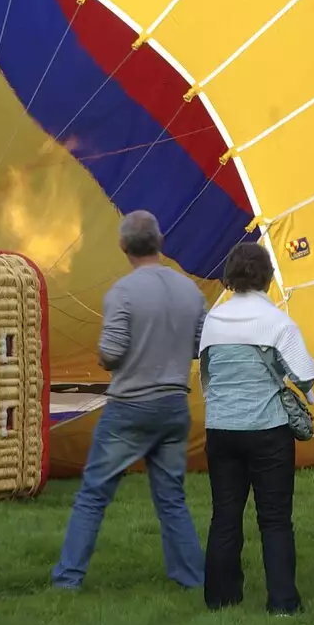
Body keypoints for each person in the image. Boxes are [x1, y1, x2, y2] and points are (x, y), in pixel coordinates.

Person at [52, 211, 209, 591]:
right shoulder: (190, 291)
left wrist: (105, 358)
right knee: (171, 498)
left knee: (93, 496)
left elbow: (113, 351)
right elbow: (199, 345)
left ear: (123, 247)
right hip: (174, 405)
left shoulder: (122, 292)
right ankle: (195, 579)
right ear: (161, 242)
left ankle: (68, 580)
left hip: (130, 407)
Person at [198, 242, 314, 615]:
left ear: (230, 275)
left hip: (221, 428)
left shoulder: (213, 321)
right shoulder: (278, 322)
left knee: (225, 515)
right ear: (267, 277)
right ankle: (282, 603)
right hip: (267, 430)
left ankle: (220, 599)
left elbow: (206, 375)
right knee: (276, 519)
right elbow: (306, 375)